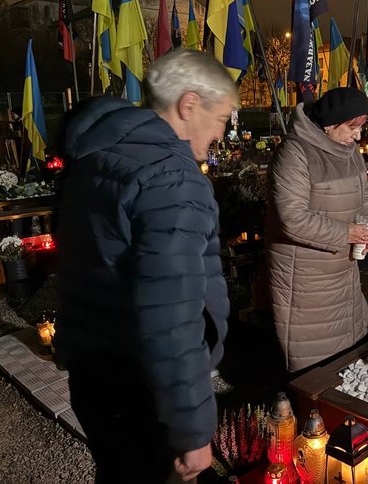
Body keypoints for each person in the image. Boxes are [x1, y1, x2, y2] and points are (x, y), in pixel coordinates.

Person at [56, 49, 237, 483]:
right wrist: (192, 430)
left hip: (92, 368)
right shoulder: (170, 178)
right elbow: (171, 313)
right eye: (221, 119)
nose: (221, 132)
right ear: (189, 104)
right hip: (140, 381)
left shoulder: (98, 155)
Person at [266, 87, 368, 372]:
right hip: (307, 279)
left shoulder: (351, 151)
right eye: (352, 128)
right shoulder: (294, 153)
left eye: (361, 128)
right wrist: (347, 233)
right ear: (329, 125)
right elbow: (292, 219)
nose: (358, 136)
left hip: (344, 270)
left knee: (350, 353)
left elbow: (365, 199)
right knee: (316, 362)